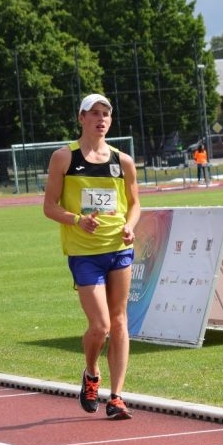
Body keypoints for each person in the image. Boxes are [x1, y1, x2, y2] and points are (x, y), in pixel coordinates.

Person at [42, 93, 141, 420]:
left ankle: (117, 397)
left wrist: (129, 225)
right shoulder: (63, 158)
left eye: (106, 114)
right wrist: (76, 220)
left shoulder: (122, 160)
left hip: (119, 249)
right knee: (99, 326)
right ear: (81, 117)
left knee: (119, 321)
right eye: (94, 113)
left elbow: (135, 203)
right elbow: (49, 207)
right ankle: (91, 372)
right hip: (84, 253)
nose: (101, 119)